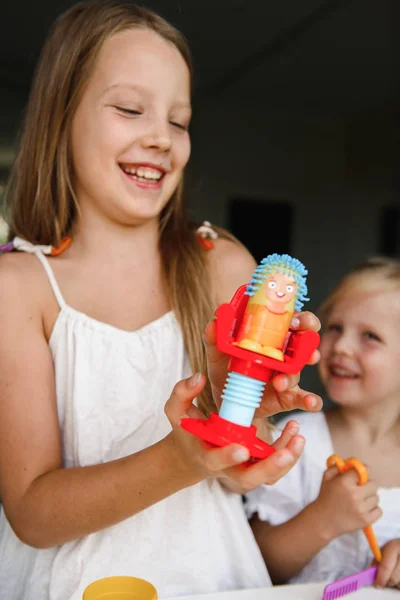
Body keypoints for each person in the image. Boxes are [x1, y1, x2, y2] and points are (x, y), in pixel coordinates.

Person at [0, 2, 322, 599]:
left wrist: (251, 426)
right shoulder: (17, 289)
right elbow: (32, 513)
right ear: (59, 116)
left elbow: (233, 480)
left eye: (179, 121)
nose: (160, 139)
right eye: (130, 109)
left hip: (216, 581)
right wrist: (181, 460)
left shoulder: (224, 265)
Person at [245, 257, 400, 589]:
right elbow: (259, 565)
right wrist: (323, 519)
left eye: (370, 336)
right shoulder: (297, 438)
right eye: (335, 328)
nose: (341, 347)